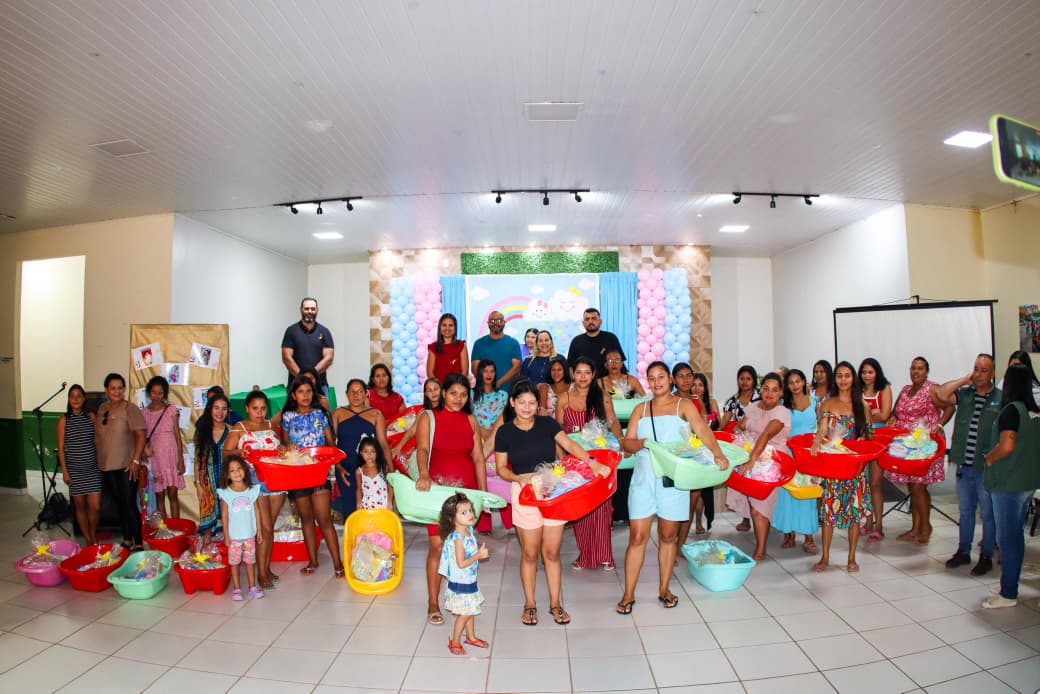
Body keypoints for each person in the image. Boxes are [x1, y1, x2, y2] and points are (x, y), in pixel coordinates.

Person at [617, 362, 727, 614]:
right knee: (637, 537)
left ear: (670, 379)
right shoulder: (640, 409)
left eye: (661, 377)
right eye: (652, 378)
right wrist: (643, 442)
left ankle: (664, 589)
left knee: (668, 536)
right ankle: (628, 594)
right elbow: (627, 444)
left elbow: (702, 430)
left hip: (673, 481)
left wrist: (718, 453)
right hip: (643, 480)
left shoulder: (683, 405)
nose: (656, 382)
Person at [496, 379, 607, 625]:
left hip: (553, 490)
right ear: (512, 403)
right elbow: (501, 468)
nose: (527, 407)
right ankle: (530, 604)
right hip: (525, 492)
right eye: (522, 402)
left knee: (552, 552)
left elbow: (569, 444)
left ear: (538, 404)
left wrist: (592, 462)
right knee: (530, 553)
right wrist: (517, 478)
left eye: (531, 403)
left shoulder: (547, 424)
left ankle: (555, 604)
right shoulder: (505, 432)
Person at [417, 373, 489, 625]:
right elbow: (422, 449)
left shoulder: (471, 420)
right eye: (453, 393)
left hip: (466, 493)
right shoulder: (428, 417)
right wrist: (424, 474)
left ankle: (460, 600)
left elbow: (478, 458)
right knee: (437, 546)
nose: (458, 399)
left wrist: (483, 495)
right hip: (437, 492)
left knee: (461, 547)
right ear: (443, 393)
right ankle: (432, 603)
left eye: (463, 394)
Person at [932, 354, 1003, 575]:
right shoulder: (965, 394)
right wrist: (964, 379)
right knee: (965, 511)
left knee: (988, 514)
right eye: (976, 369)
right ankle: (963, 551)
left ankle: (986, 556)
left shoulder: (1001, 399)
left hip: (987, 467)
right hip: (964, 465)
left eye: (984, 370)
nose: (979, 374)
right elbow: (940, 394)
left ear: (992, 373)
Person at [981, 363, 1040, 608]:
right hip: (1026, 482)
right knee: (1015, 536)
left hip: (1008, 484)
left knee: (1007, 539)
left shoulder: (1010, 411)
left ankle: (1008, 594)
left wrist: (989, 458)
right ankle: (1009, 582)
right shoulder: (1033, 411)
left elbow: (1007, 445)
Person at [556, 357, 623, 571]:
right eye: (579, 372)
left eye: (587, 372)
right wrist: (560, 461)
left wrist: (621, 442)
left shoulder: (602, 396)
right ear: (572, 374)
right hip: (574, 461)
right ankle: (584, 555)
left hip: (600, 460)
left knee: (602, 507)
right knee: (580, 507)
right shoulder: (563, 398)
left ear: (593, 374)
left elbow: (612, 422)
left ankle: (605, 555)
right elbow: (557, 431)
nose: (583, 377)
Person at [811, 361, 872, 574]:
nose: (843, 380)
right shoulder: (827, 404)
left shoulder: (862, 406)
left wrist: (861, 456)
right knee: (828, 513)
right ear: (835, 379)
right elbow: (822, 432)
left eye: (847, 375)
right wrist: (816, 443)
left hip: (855, 468)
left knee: (854, 514)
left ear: (853, 379)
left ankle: (852, 557)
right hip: (833, 467)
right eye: (839, 376)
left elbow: (868, 438)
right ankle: (825, 557)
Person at [279, 376, 343, 578]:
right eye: (301, 392)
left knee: (324, 519)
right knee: (306, 519)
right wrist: (286, 446)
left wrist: (334, 462)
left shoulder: (320, 413)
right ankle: (313, 561)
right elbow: (284, 443)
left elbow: (330, 442)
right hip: (297, 474)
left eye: (308, 391)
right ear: (293, 395)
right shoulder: (287, 416)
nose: (305, 395)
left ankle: (338, 564)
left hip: (319, 473)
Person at [884, 357, 950, 545]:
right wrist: (892, 419)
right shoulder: (905, 390)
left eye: (920, 368)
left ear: (926, 371)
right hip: (907, 447)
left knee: (920, 486)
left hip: (925, 445)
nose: (915, 372)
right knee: (912, 486)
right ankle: (915, 528)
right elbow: (896, 412)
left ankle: (926, 527)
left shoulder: (932, 389)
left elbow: (950, 407)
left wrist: (939, 425)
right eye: (913, 368)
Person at [726, 372, 791, 560]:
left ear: (781, 393)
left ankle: (761, 549)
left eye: (775, 390)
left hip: (772, 461)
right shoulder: (754, 407)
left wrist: (752, 459)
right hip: (752, 455)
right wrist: (741, 440)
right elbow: (741, 426)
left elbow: (766, 435)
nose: (770, 393)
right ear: (760, 390)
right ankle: (755, 534)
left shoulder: (782, 412)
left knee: (759, 505)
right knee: (750, 498)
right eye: (766, 389)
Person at [224, 390, 283, 591]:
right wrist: (239, 452)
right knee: (264, 528)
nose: (259, 412)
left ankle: (266, 567)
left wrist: (282, 449)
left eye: (263, 408)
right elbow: (225, 453)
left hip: (276, 480)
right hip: (255, 481)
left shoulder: (270, 426)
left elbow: (279, 448)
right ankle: (261, 574)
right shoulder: (238, 428)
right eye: (255, 408)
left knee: (270, 527)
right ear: (247, 408)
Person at [95, 373, 146, 552]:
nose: (117, 391)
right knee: (119, 504)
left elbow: (140, 435)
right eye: (113, 388)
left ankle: (138, 541)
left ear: (124, 389)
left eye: (120, 388)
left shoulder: (130, 408)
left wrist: (136, 460)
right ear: (106, 390)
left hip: (126, 465)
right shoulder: (102, 408)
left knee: (129, 503)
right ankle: (127, 539)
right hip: (106, 466)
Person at [332, 379, 393, 519]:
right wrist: (338, 466)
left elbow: (383, 444)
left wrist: (390, 470)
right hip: (346, 469)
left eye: (360, 392)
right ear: (346, 394)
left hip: (371, 469)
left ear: (366, 394)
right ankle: (352, 533)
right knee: (350, 508)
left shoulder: (376, 414)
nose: (356, 395)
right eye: (352, 392)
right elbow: (331, 443)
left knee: (374, 508)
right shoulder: (338, 413)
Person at [438, 492, 490, 654]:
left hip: (468, 579)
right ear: (451, 519)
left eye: (470, 510)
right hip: (461, 582)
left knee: (470, 609)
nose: (470, 514)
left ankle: (471, 637)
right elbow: (461, 563)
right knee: (466, 613)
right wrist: (478, 556)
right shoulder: (458, 539)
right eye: (463, 512)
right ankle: (455, 641)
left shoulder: (468, 530)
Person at [775, 368, 820, 553]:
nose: (794, 385)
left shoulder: (815, 401)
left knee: (808, 493)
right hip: (789, 453)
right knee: (788, 494)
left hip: (809, 455)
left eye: (797, 381)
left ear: (803, 382)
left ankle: (809, 537)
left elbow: (821, 427)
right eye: (791, 383)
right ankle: (789, 533)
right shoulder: (783, 405)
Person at [56, 384, 102, 546]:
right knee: (80, 507)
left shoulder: (91, 417)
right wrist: (65, 471)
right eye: (72, 396)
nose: (76, 399)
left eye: (79, 396)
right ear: (69, 399)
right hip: (75, 472)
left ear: (84, 399)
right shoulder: (64, 420)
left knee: (95, 507)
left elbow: (99, 440)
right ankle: (89, 539)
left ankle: (92, 533)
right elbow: (61, 448)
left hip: (93, 469)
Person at [217, 455, 263, 601]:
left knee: (250, 562)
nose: (236, 472)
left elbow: (257, 510)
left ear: (245, 470)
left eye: (239, 468)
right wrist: (226, 535)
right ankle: (237, 588)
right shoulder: (226, 493)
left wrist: (259, 530)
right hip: (234, 537)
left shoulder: (252, 490)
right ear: (227, 475)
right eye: (232, 470)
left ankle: (252, 587)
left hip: (249, 535)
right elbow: (224, 515)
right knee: (234, 563)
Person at [720, 365, 760, 531]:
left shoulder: (761, 398)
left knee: (757, 480)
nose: (744, 382)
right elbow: (724, 423)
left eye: (748, 379)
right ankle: (745, 518)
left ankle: (761, 518)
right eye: (742, 378)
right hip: (740, 447)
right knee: (743, 481)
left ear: (754, 380)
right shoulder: (733, 401)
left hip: (759, 444)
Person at [858, 358, 893, 539]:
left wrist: (868, 414)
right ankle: (868, 522)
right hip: (862, 439)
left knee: (876, 483)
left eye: (870, 372)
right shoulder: (858, 391)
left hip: (879, 440)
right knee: (863, 483)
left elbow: (885, 415)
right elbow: (856, 415)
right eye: (864, 372)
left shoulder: (884, 389)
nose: (867, 376)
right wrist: (873, 413)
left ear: (877, 372)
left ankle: (879, 525)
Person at [141, 375, 184, 519]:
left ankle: (176, 526)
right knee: (159, 496)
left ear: (165, 394)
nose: (156, 396)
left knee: (173, 494)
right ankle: (163, 527)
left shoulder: (171, 410)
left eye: (160, 393)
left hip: (171, 456)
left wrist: (181, 460)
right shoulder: (144, 413)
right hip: (155, 458)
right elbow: (142, 438)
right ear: (149, 392)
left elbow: (178, 436)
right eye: (154, 392)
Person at [193, 392, 231, 543]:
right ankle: (209, 553)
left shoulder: (232, 431)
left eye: (224, 409)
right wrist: (198, 484)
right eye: (216, 408)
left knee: (229, 524)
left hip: (227, 483)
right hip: (207, 483)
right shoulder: (202, 431)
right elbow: (197, 459)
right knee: (207, 530)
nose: (220, 412)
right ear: (210, 409)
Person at [281, 297, 334, 394]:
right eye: (306, 309)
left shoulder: (324, 332)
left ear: (317, 310)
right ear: (301, 309)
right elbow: (286, 357)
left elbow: (329, 358)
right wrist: (302, 378)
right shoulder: (291, 331)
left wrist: (311, 375)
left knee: (321, 405)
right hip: (296, 385)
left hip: (320, 386)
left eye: (313, 309)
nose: (310, 311)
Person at [391, 378, 443, 462]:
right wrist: (398, 447)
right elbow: (412, 431)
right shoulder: (423, 412)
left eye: (436, 389)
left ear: (442, 390)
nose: (433, 393)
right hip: (425, 448)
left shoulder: (449, 409)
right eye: (429, 390)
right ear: (426, 394)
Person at [470, 311, 522, 392]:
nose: (495, 323)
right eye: (492, 321)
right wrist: (488, 385)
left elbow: (516, 367)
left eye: (499, 320)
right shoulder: (479, 343)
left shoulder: (513, 343)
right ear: (488, 323)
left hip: (509, 391)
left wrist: (499, 382)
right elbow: (475, 368)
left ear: (504, 322)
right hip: (484, 392)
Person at [567, 307, 625, 378]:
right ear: (583, 323)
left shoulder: (611, 338)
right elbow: (570, 367)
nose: (590, 322)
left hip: (607, 382)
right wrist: (575, 381)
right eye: (587, 319)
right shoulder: (576, 341)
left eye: (594, 318)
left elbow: (620, 362)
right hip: (584, 382)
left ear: (600, 321)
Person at [472, 359, 508, 441]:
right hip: (477, 439)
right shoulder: (471, 394)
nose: (489, 374)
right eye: (485, 371)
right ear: (480, 373)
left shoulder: (503, 395)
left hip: (500, 439)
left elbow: (507, 420)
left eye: (492, 371)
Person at [427, 313, 469, 383]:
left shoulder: (461, 346)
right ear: (440, 327)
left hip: (457, 387)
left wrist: (456, 387)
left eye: (450, 325)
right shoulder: (433, 347)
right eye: (444, 325)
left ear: (455, 328)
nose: (447, 328)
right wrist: (439, 388)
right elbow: (430, 373)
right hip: (439, 388)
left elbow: (464, 372)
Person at [356, 436, 394, 510]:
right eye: (366, 451)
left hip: (384, 506)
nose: (369, 454)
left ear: (377, 452)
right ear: (361, 453)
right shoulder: (359, 471)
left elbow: (390, 486)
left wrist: (389, 503)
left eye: (373, 451)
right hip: (367, 507)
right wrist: (358, 504)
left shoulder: (383, 467)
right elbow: (359, 489)